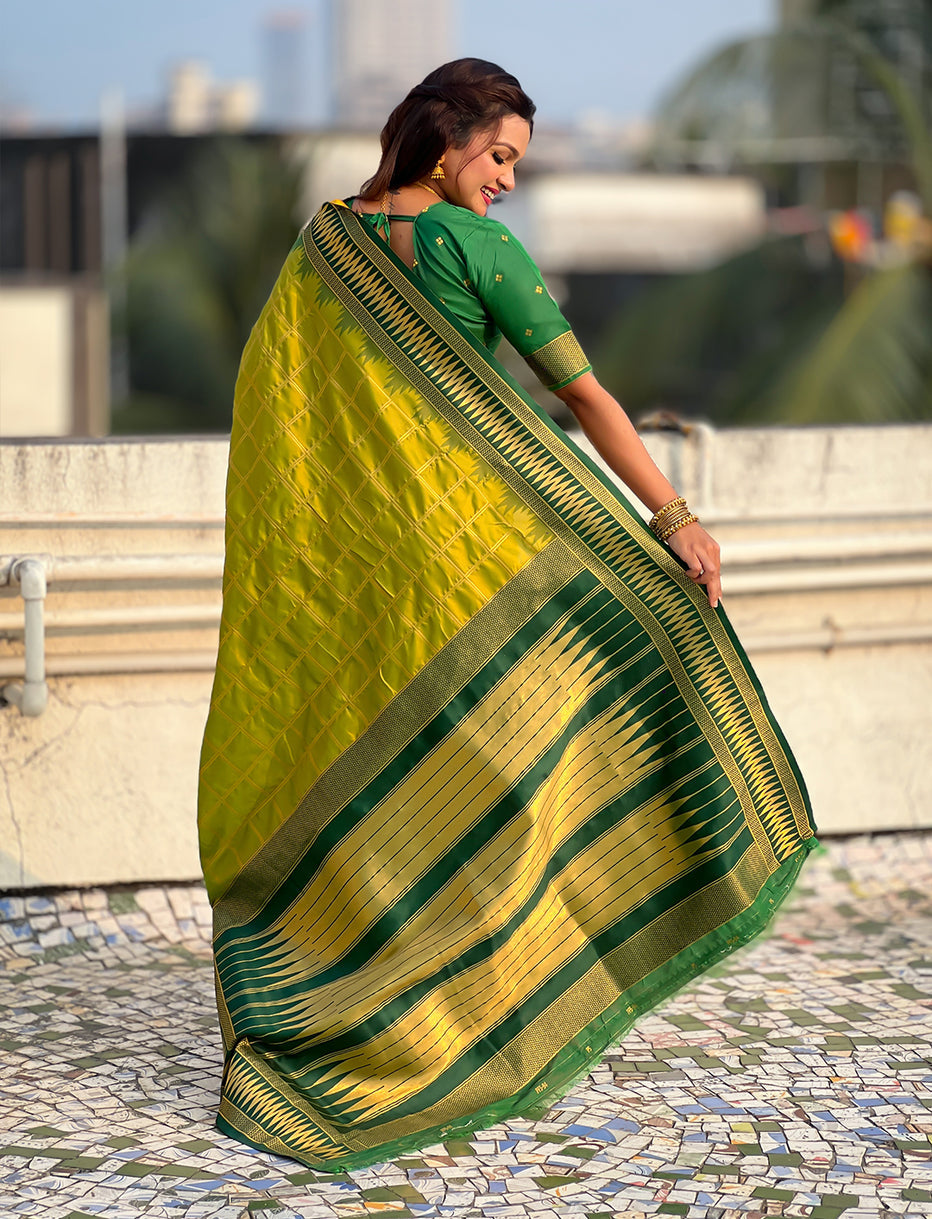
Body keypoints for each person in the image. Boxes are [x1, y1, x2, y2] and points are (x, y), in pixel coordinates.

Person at [198, 58, 815, 1172]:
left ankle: (372, 1000)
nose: (509, 183)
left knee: (406, 798)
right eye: (500, 158)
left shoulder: (322, 243)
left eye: (517, 165)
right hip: (470, 574)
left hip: (356, 588)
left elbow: (279, 414)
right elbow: (581, 398)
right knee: (543, 744)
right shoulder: (475, 251)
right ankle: (472, 1008)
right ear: (446, 146)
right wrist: (673, 514)